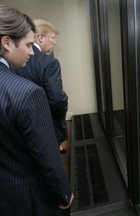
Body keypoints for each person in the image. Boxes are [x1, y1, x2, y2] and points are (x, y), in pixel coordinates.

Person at [0, 5, 73, 215]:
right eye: (28, 44)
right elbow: (47, 158)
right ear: (7, 42)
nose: (32, 52)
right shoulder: (28, 93)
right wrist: (64, 192)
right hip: (27, 200)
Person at [14, 19, 68, 153]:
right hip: (47, 125)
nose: (55, 42)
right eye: (53, 38)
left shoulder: (12, 60)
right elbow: (57, 99)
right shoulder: (50, 63)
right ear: (40, 38)